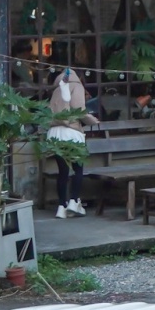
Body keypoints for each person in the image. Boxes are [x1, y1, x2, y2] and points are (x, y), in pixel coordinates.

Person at [47, 69, 99, 218]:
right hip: (71, 133)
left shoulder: (57, 89)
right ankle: (74, 201)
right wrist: (92, 120)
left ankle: (61, 207)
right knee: (78, 169)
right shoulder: (77, 86)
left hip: (54, 133)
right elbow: (78, 110)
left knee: (62, 172)